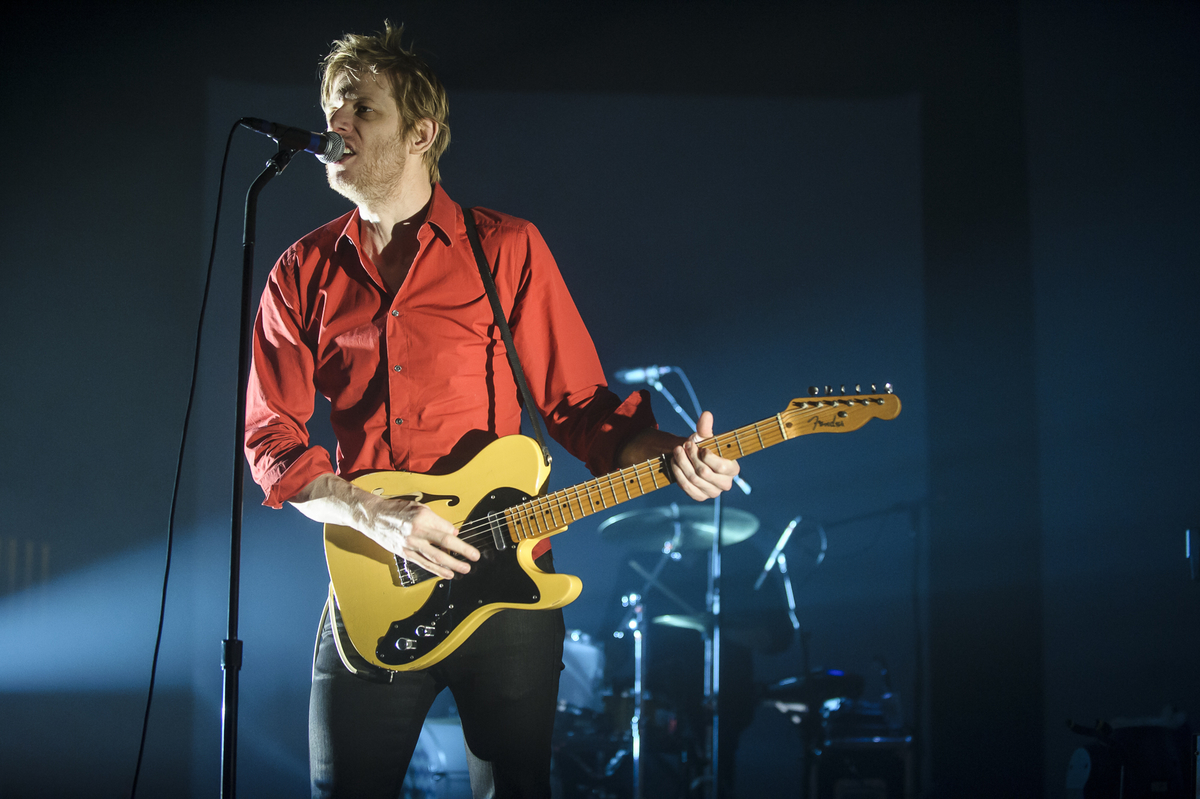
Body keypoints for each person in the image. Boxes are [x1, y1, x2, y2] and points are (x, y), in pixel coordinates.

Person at [244, 22, 740, 799]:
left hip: (510, 586)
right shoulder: (300, 272)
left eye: (360, 110)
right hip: (375, 586)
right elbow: (270, 439)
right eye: (331, 107)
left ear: (421, 133)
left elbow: (580, 406)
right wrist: (375, 515)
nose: (334, 125)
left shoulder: (506, 248)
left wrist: (668, 455)